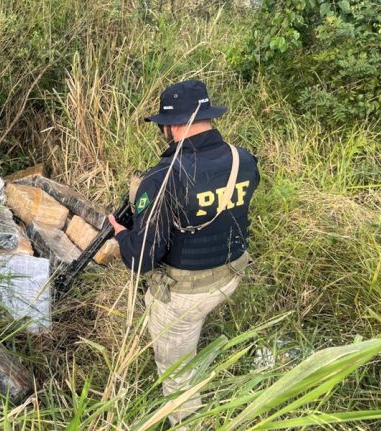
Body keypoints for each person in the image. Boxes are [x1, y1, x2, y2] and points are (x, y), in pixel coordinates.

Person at [108, 79, 260, 428]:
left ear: (173, 125)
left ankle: (189, 421)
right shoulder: (244, 159)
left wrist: (121, 234)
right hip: (231, 275)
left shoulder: (162, 177)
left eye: (163, 125)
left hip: (185, 297)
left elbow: (142, 258)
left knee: (177, 377)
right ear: (207, 117)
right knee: (196, 326)